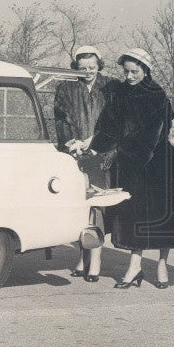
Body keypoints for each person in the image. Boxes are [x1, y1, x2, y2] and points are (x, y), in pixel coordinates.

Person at [85, 48, 174, 288]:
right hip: (132, 163)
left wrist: (120, 151)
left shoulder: (157, 95)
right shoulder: (120, 93)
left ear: (146, 71)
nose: (130, 76)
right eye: (127, 72)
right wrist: (96, 147)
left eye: (135, 72)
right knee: (135, 217)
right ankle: (135, 268)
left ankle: (162, 264)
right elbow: (109, 125)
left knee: (161, 218)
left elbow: (151, 135)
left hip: (159, 163)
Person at [53, 44, 117, 282]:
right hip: (76, 152)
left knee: (97, 205)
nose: (88, 71)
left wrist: (97, 143)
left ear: (99, 66)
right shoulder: (66, 88)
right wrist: (73, 143)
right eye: (83, 68)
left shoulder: (111, 87)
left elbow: (115, 121)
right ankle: (82, 256)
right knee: (81, 206)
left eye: (92, 67)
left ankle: (96, 260)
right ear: (76, 68)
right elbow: (62, 118)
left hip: (102, 154)